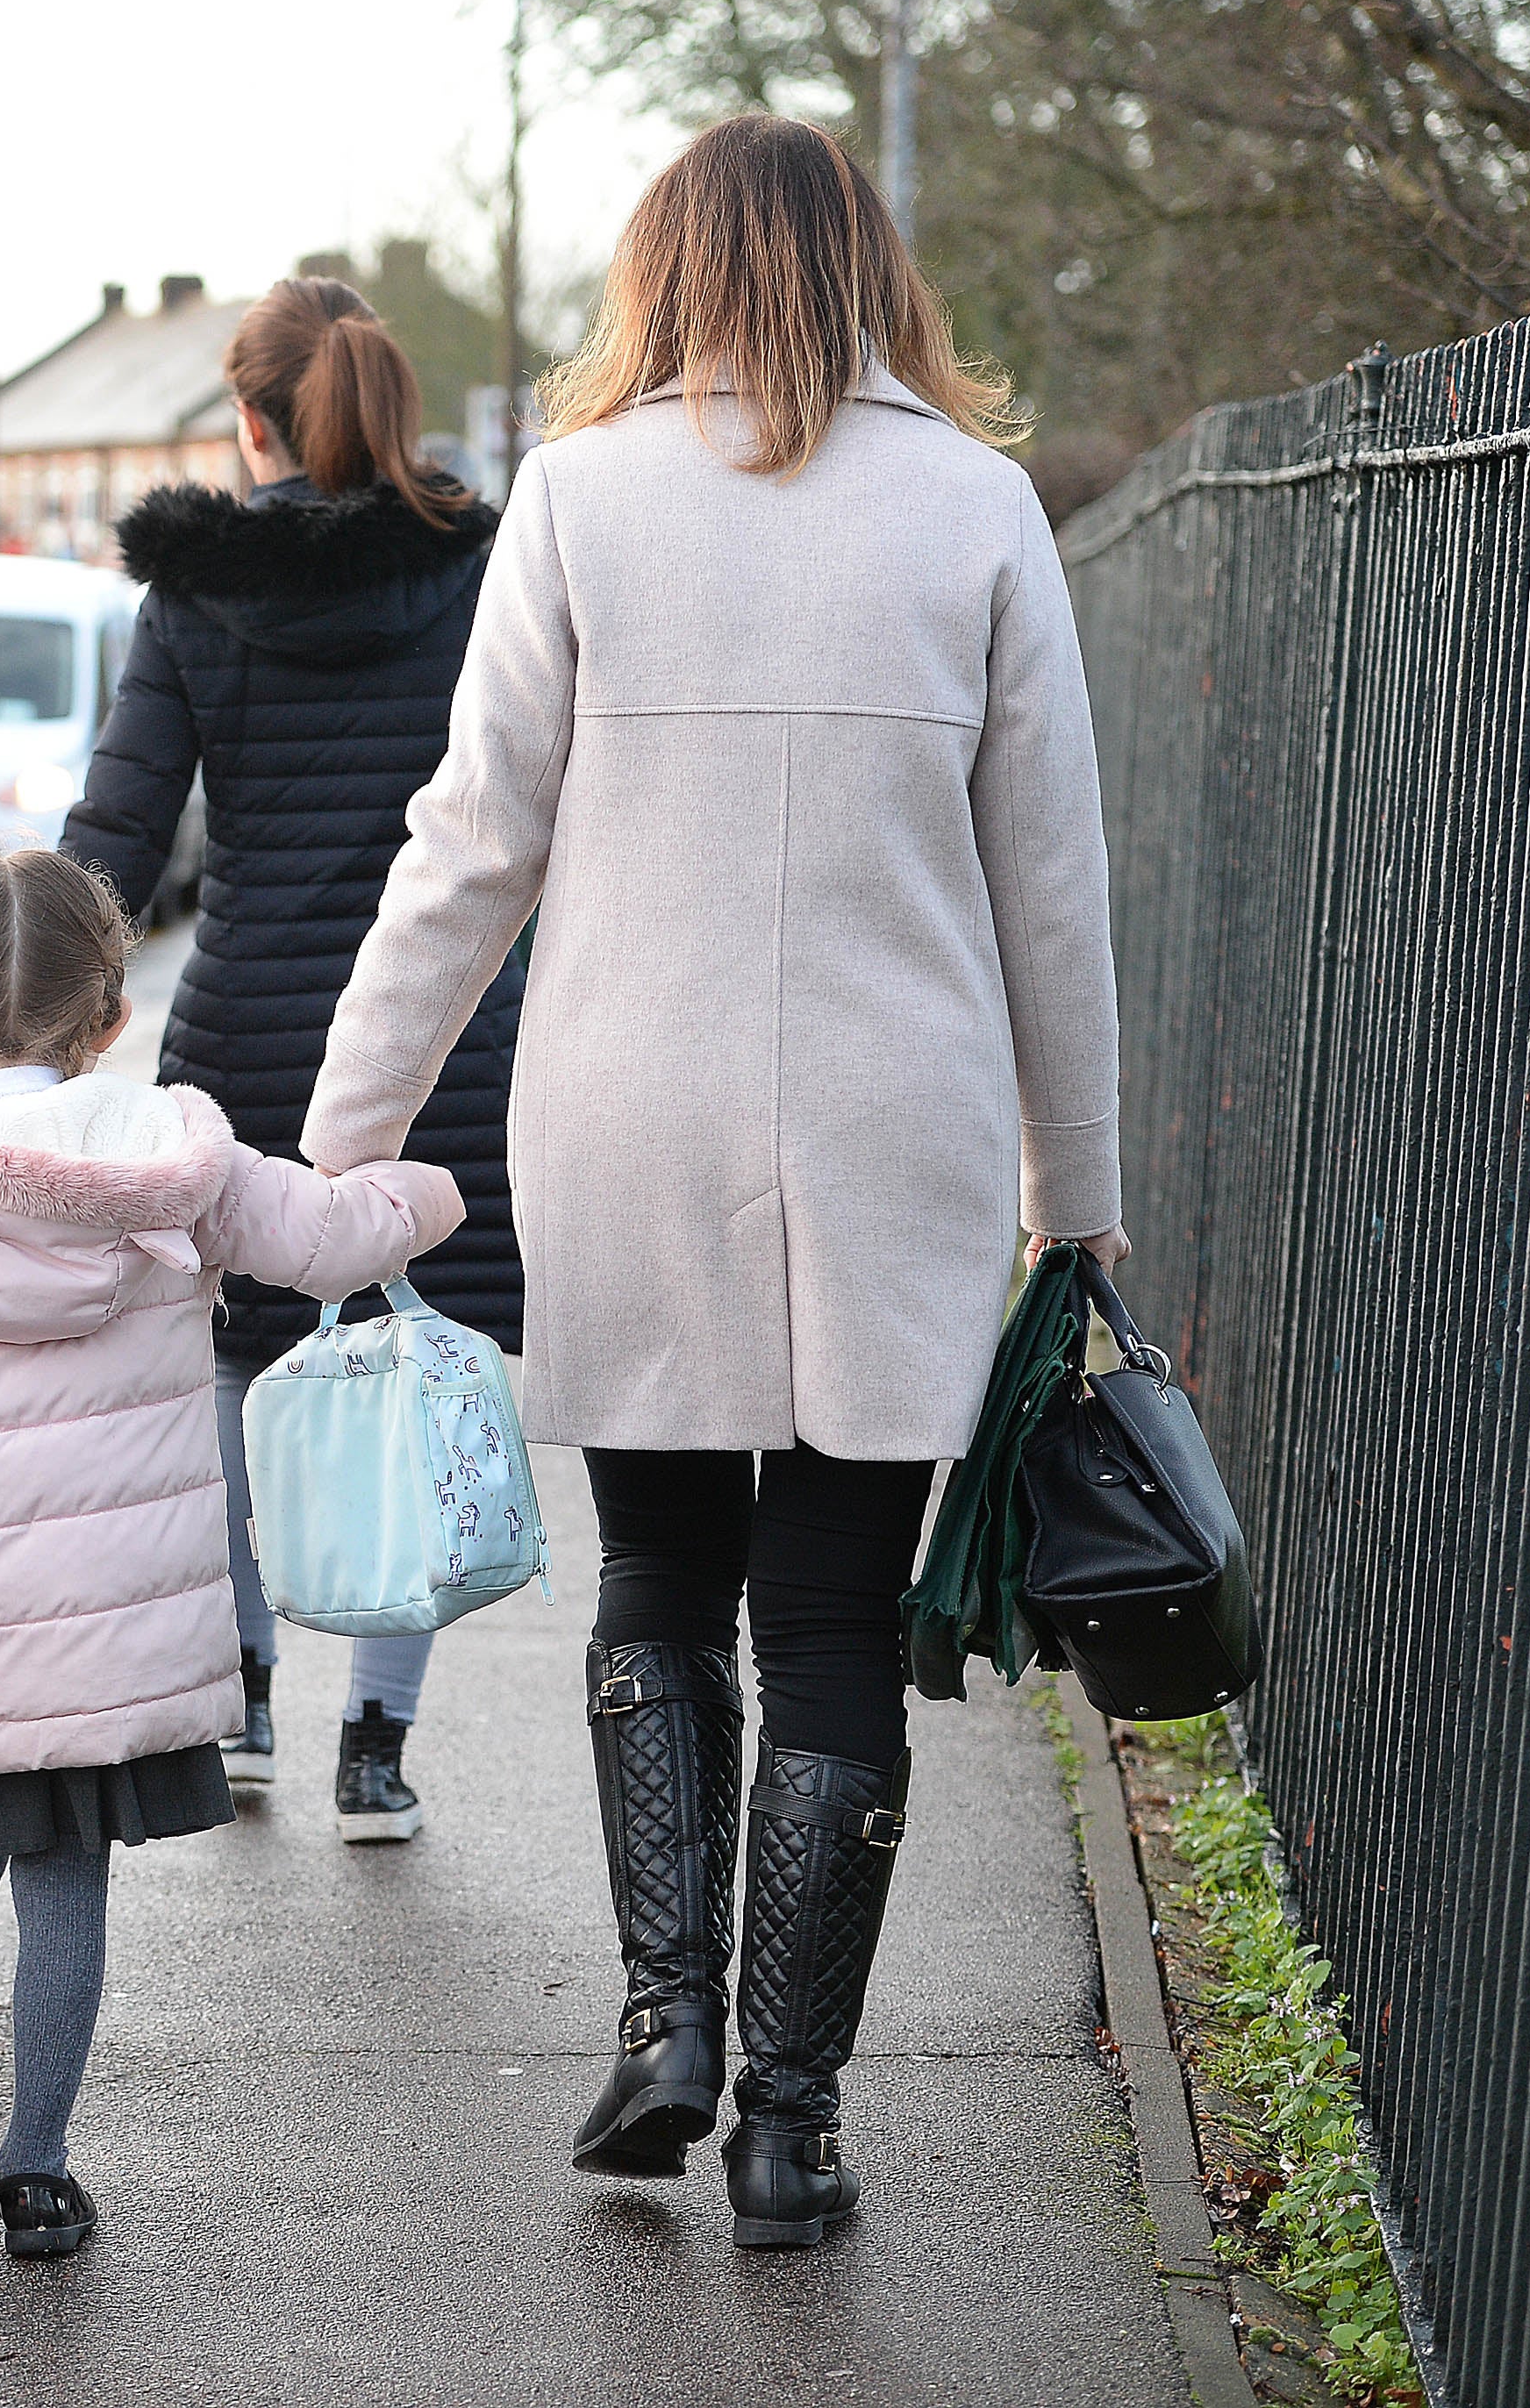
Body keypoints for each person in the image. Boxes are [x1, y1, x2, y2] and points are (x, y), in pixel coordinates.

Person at [298, 116, 1128, 2252]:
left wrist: (346, 1133)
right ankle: (789, 2121)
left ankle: (666, 2016)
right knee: (833, 1615)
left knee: (659, 1589)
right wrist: (1081, 1185)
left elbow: (469, 839)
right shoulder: (974, 504)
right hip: (901, 1129)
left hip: (630, 1118)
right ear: (867, 268)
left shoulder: (578, 495)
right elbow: (1052, 892)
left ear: (656, 274)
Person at [0, 850, 461, 2260]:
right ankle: (36, 2167)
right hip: (116, 1625)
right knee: (69, 1882)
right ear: (109, 1012)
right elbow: (330, 1241)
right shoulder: (174, 1162)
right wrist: (440, 1193)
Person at [62, 276, 518, 1840]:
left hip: (252, 1027)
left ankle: (246, 1687)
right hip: (445, 1034)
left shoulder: (194, 590)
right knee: (411, 1367)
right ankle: (375, 1741)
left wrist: (22, 1008)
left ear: (248, 422)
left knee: (240, 1353)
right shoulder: (480, 572)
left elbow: (121, 828)